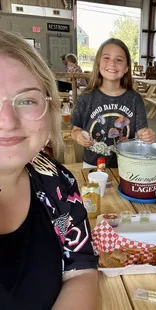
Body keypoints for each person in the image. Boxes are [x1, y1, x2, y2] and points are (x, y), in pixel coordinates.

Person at [0, 31, 98, 309]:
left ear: (50, 110)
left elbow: (81, 270)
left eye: (27, 100)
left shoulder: (57, 182)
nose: (7, 121)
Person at [70, 38, 155, 168]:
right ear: (98, 63)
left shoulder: (135, 98)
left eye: (119, 60)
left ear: (126, 68)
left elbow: (141, 131)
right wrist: (78, 136)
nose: (112, 64)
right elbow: (75, 130)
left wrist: (147, 134)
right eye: (106, 58)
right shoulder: (86, 97)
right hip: (92, 165)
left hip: (127, 164)